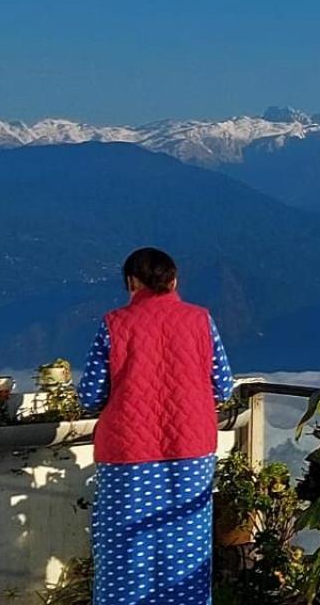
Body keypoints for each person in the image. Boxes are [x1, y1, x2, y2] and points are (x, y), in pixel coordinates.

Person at [77, 247, 234, 605]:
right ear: (174, 281)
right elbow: (223, 384)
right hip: (191, 451)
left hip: (127, 455)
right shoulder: (201, 320)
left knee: (126, 550)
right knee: (186, 548)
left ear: (131, 282)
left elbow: (90, 393)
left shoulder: (115, 324)